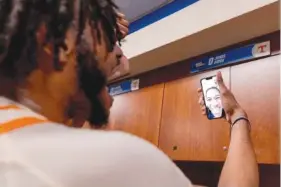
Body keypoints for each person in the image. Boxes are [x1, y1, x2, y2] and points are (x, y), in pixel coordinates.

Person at [0, 1, 258, 187]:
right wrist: (237, 117)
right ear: (54, 45)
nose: (122, 59)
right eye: (110, 42)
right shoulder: (114, 161)